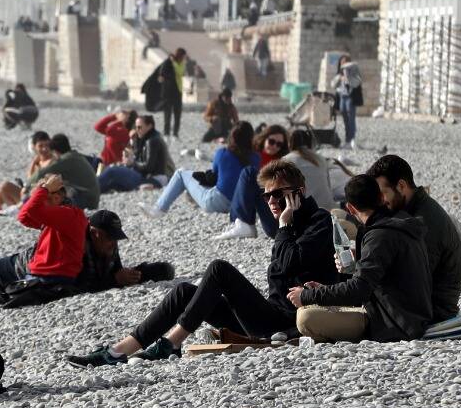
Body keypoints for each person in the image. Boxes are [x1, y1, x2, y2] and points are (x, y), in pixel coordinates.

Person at [69, 161, 342, 365]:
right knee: (184, 291)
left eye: (278, 194)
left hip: (285, 322)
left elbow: (288, 264)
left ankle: (172, 343)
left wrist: (283, 226)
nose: (271, 201)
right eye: (267, 195)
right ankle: (120, 350)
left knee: (219, 269)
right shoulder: (291, 223)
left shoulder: (318, 222)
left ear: (300, 192)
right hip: (268, 314)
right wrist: (285, 225)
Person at [287, 174, 434, 342]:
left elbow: (359, 290)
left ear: (350, 208)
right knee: (314, 307)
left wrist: (308, 295)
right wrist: (322, 290)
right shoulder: (400, 222)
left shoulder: (379, 235)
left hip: (394, 323)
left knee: (305, 317)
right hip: (409, 315)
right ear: (381, 197)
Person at [364, 154, 461, 322]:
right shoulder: (411, 211)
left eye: (383, 194)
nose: (380, 202)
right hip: (418, 304)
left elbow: (414, 278)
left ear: (401, 186)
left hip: (429, 310)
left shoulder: (424, 221)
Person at [0, 174, 85, 309]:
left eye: (40, 198)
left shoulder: (66, 215)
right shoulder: (61, 217)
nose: (38, 201)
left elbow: (29, 210)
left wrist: (44, 188)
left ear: (56, 198)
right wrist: (44, 190)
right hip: (9, 272)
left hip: (40, 278)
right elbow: (24, 216)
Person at [152, 120, 257, 219]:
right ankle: (192, 198)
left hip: (217, 203)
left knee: (181, 173)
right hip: (242, 205)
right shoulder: (256, 157)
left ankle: (159, 208)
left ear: (232, 137)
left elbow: (214, 177)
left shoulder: (223, 153)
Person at [97, 113, 174, 194]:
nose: (137, 130)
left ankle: (92, 188)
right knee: (113, 183)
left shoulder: (152, 141)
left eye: (139, 127)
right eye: (136, 127)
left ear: (149, 126)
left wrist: (132, 163)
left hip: (153, 179)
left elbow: (149, 167)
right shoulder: (145, 139)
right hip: (147, 177)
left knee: (112, 171)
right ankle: (93, 192)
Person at [31, 132, 100, 211]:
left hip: (87, 200)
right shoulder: (73, 155)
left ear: (55, 151)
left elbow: (42, 173)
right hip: (91, 197)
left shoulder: (65, 160)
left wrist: (26, 186)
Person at [142, 47, 187, 137]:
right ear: (180, 55)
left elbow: (180, 72)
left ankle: (175, 132)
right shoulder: (168, 62)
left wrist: (174, 64)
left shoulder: (181, 63)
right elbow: (161, 74)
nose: (184, 58)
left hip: (178, 91)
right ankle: (166, 133)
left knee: (177, 113)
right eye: (183, 56)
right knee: (168, 114)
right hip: (168, 93)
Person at [333, 53, 363, 148]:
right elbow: (334, 84)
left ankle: (352, 139)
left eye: (345, 62)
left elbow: (357, 82)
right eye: (342, 62)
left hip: (350, 97)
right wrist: (340, 78)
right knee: (345, 119)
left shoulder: (353, 72)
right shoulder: (339, 73)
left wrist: (348, 77)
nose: (343, 64)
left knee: (351, 119)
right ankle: (347, 139)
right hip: (342, 97)